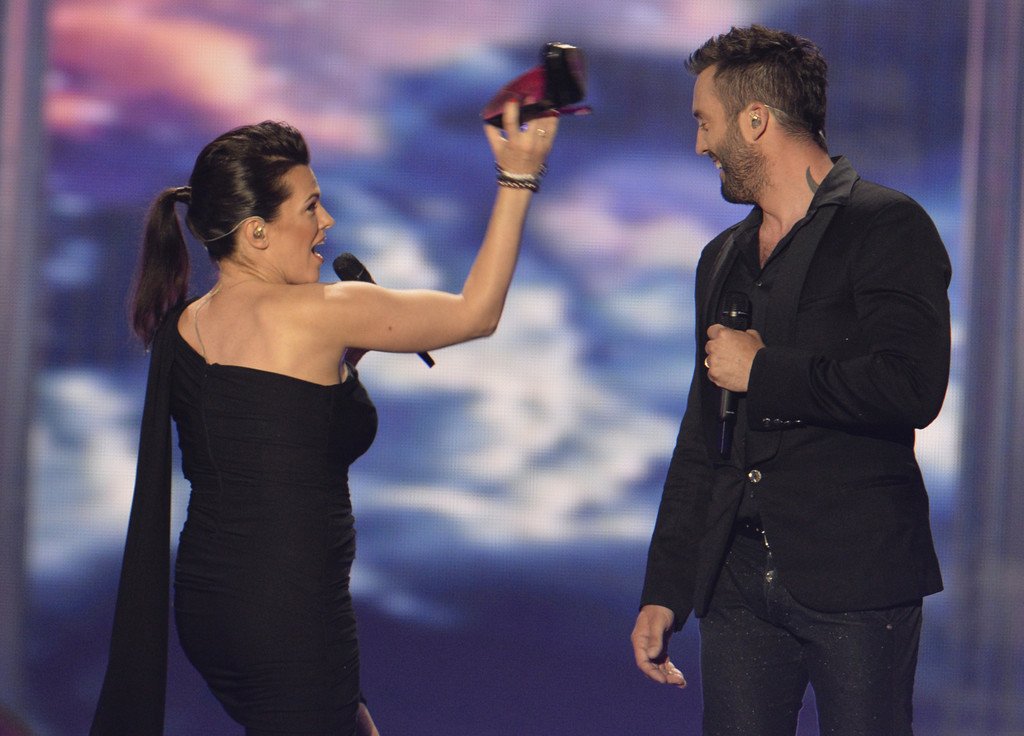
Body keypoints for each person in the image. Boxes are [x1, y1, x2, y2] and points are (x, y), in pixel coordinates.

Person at [91, 102, 557, 735]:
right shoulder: (323, 311)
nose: (326, 221)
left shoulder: (185, 324)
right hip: (291, 616)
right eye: (310, 207)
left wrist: (342, 374)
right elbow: (477, 313)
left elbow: (268, 430)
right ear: (257, 232)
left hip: (211, 607)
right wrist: (518, 177)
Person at [630, 25, 950, 736]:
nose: (700, 145)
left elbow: (912, 385)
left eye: (705, 122)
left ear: (755, 121)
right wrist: (667, 587)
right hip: (738, 584)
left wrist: (764, 371)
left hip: (856, 582)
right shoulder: (722, 256)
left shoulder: (887, 226)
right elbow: (703, 432)